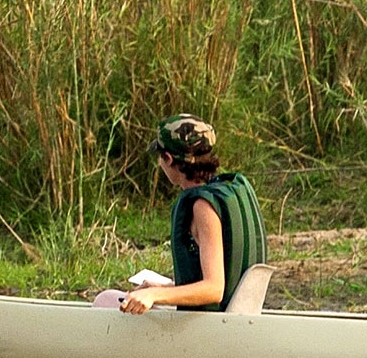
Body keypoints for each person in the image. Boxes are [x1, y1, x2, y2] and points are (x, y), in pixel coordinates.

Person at [98, 114, 267, 314]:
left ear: (168, 158)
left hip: (210, 326)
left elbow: (214, 289)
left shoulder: (203, 206)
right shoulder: (230, 191)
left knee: (104, 300)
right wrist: (164, 288)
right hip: (232, 316)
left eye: (161, 157)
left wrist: (153, 295)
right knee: (109, 297)